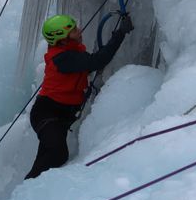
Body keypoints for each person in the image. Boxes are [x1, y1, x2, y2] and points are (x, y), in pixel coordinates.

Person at [25, 13, 133, 179]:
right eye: (74, 30)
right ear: (62, 38)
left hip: (55, 115)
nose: (79, 30)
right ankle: (28, 192)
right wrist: (120, 34)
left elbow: (88, 64)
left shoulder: (69, 53)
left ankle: (29, 190)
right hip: (47, 114)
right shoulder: (64, 58)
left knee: (46, 158)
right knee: (57, 154)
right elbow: (97, 61)